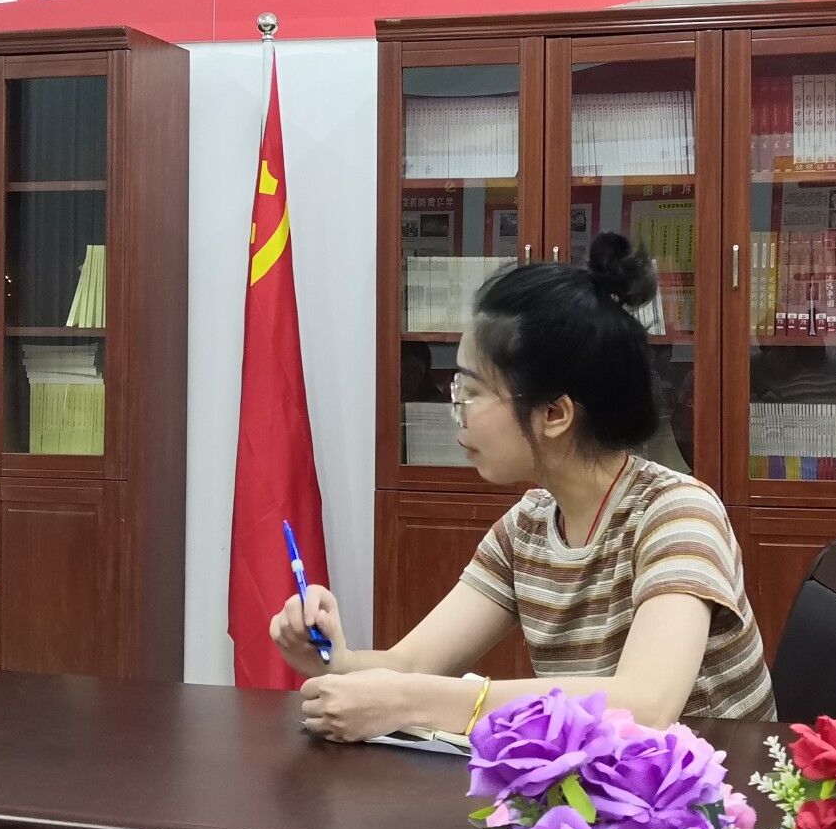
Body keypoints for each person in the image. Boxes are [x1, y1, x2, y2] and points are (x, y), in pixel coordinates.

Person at [272, 233, 774, 739]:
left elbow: (645, 706)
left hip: (713, 782)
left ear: (553, 414)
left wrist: (413, 701)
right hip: (595, 780)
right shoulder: (529, 526)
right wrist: (334, 659)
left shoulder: (678, 514)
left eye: (471, 391)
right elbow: (413, 664)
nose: (456, 411)